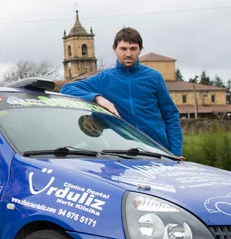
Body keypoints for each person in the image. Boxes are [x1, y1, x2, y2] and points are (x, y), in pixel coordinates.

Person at [60, 26, 183, 156]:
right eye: (123, 49)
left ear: (140, 49)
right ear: (115, 49)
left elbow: (171, 116)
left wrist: (175, 153)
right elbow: (66, 88)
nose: (128, 54)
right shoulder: (103, 78)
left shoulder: (154, 77)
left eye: (133, 49)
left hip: (158, 151)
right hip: (121, 154)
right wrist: (98, 98)